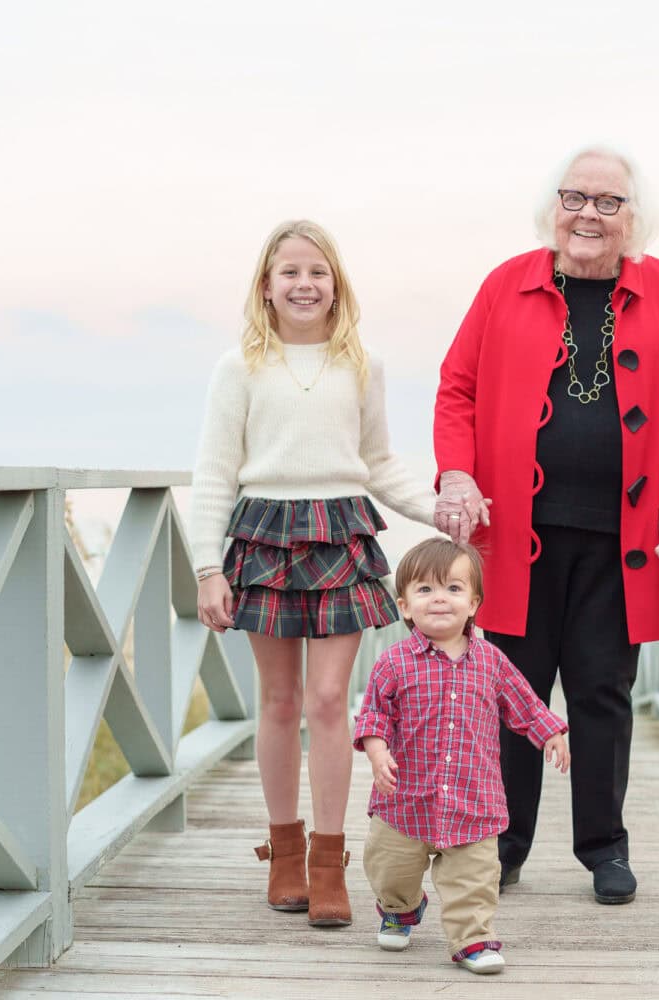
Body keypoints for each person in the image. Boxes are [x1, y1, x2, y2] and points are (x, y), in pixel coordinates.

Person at [432, 145, 659, 904]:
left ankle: (603, 848)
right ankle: (506, 844)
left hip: (621, 542)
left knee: (601, 693)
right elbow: (456, 390)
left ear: (632, 218)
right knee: (513, 693)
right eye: (576, 197)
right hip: (519, 534)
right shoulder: (505, 285)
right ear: (554, 207)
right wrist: (457, 472)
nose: (589, 213)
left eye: (608, 202)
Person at [190, 219, 436, 928]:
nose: (304, 284)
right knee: (280, 701)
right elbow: (213, 472)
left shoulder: (363, 364)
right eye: (290, 272)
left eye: (317, 272)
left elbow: (380, 461)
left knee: (331, 701)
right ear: (266, 286)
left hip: (339, 533)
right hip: (264, 537)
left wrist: (438, 510)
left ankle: (331, 863)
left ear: (337, 285)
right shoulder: (238, 367)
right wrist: (210, 568)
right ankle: (286, 852)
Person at [353, 537, 569, 973]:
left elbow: (524, 704)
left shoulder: (492, 662)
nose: (440, 599)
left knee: (474, 877)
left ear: (474, 603)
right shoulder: (393, 663)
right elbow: (373, 716)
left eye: (453, 589)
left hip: (473, 800)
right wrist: (378, 755)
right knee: (389, 868)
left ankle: (473, 939)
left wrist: (551, 733)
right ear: (405, 605)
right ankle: (401, 908)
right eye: (425, 590)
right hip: (404, 802)